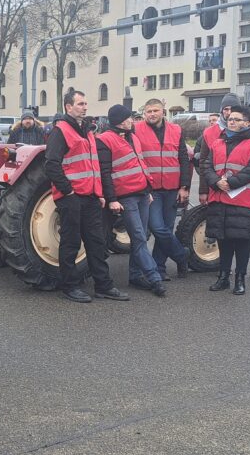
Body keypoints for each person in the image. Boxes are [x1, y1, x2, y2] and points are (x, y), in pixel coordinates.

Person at [43, 90, 129, 303]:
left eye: (85, 103)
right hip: (71, 197)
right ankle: (70, 286)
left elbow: (93, 166)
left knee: (96, 242)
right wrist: (68, 191)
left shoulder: (88, 132)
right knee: (71, 243)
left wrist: (99, 193)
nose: (84, 107)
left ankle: (103, 285)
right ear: (68, 107)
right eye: (80, 104)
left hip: (90, 196)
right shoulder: (60, 131)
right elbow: (51, 165)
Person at [197, 93, 250, 282]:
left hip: (242, 196)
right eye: (226, 112)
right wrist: (208, 187)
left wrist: (230, 183)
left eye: (233, 113)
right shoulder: (211, 134)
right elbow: (205, 164)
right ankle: (223, 275)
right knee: (223, 238)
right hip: (219, 194)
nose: (229, 116)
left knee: (244, 237)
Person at [97, 104, 165, 297]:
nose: (133, 121)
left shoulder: (132, 137)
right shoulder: (105, 140)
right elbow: (105, 173)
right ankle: (154, 277)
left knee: (141, 235)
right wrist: (112, 199)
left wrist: (148, 190)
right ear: (120, 121)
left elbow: (140, 164)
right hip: (126, 197)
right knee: (138, 237)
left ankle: (135, 275)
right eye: (129, 118)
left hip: (142, 194)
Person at [135, 98, 190, 280]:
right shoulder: (137, 129)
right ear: (144, 113)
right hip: (150, 189)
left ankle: (160, 268)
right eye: (148, 111)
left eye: (155, 111)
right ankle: (182, 255)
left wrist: (184, 187)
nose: (152, 114)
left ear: (163, 111)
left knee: (166, 227)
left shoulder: (176, 130)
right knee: (158, 228)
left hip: (172, 187)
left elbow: (183, 158)